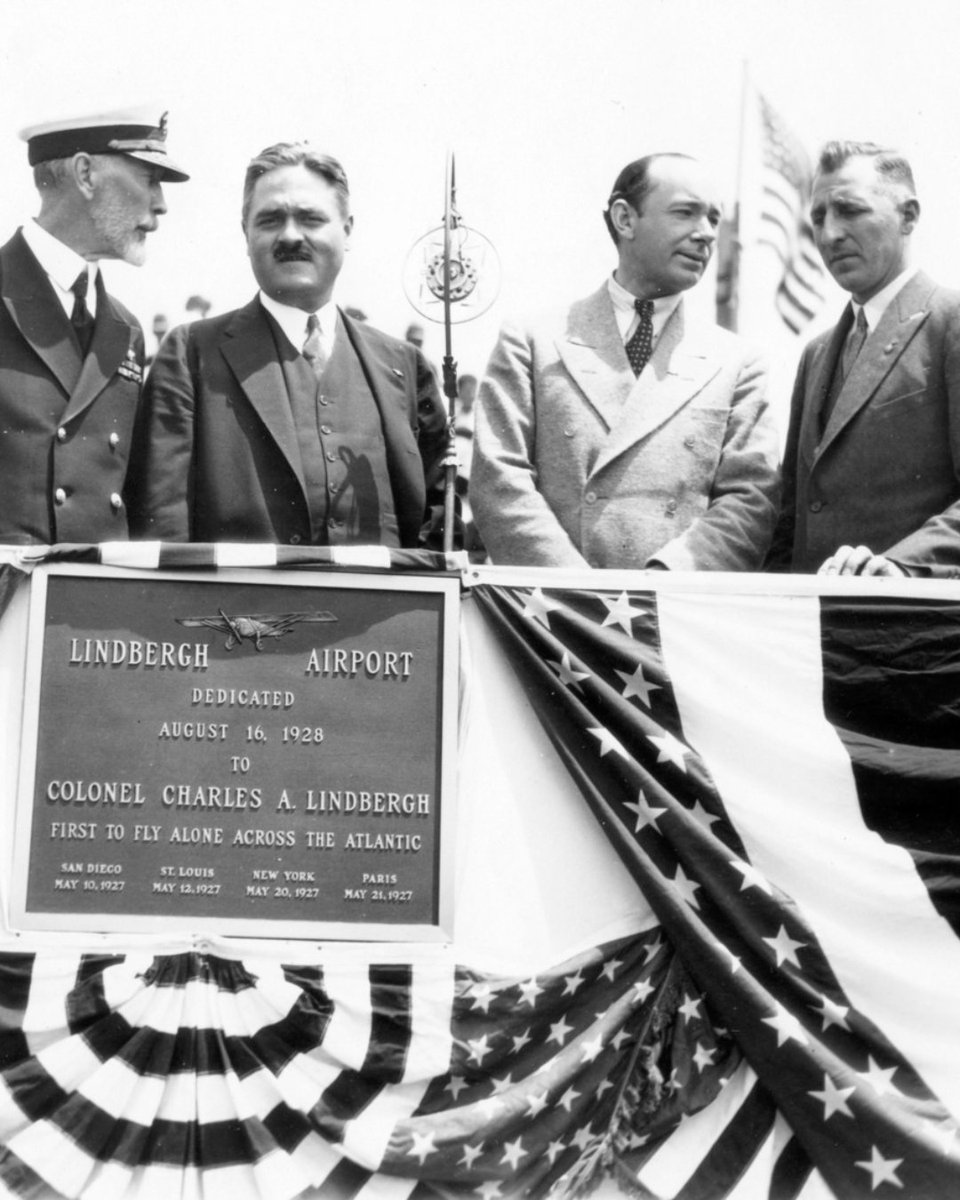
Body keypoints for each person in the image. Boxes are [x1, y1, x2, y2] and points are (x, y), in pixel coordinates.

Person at [127, 142, 447, 548]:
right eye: (270, 220)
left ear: (347, 230)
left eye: (311, 219)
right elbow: (161, 530)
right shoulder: (191, 356)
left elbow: (436, 534)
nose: (291, 235)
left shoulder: (404, 367)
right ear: (246, 233)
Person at [470, 153, 779, 570]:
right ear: (625, 220)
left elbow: (750, 499)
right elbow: (498, 481)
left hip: (670, 613)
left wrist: (659, 586)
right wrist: (579, 591)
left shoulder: (738, 363)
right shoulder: (533, 341)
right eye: (685, 213)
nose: (705, 233)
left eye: (713, 219)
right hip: (550, 615)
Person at [767, 141, 960, 578]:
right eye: (818, 217)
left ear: (908, 216)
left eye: (850, 210)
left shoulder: (950, 323)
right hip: (813, 632)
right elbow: (792, 517)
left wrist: (902, 564)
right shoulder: (816, 354)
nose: (829, 234)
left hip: (915, 629)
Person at [0, 106, 188, 545]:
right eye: (149, 178)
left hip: (91, 606)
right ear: (86, 174)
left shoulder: (125, 328)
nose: (160, 204)